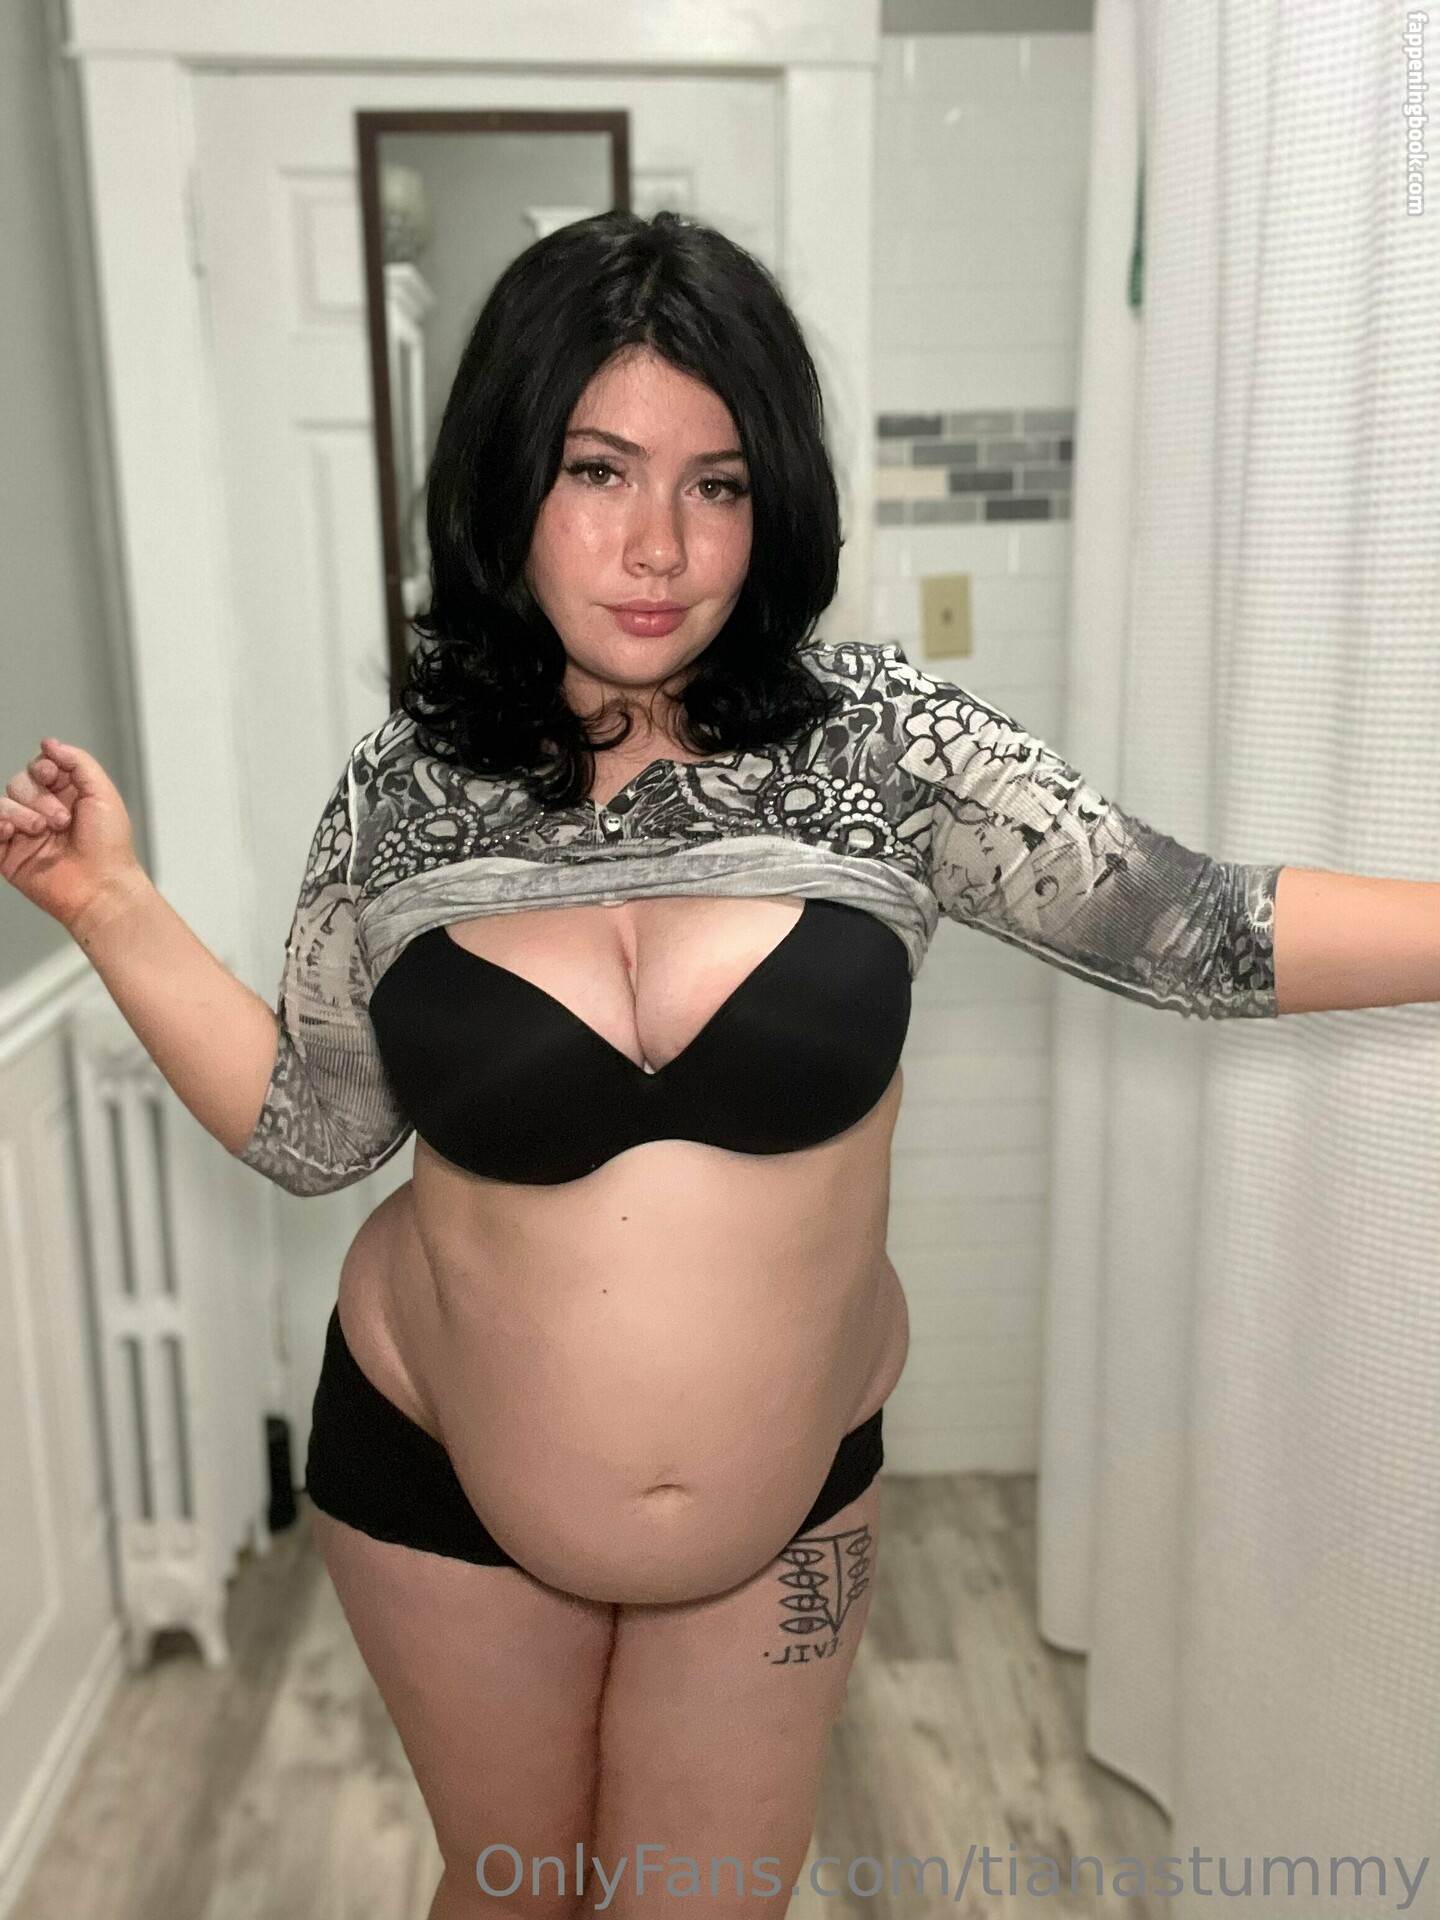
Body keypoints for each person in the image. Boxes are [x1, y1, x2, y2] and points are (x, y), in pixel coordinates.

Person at [5, 210, 1434, 1920]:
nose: (661, 546)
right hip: (434, 1466)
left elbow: (1198, 928)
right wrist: (110, 905)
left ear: (778, 503)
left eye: (720, 483)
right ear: (507, 481)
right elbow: (318, 1131)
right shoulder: (408, 788)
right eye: (598, 471)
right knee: (514, 1893)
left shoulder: (885, 747)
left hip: (786, 1515)